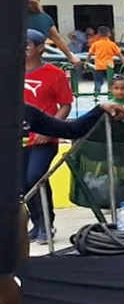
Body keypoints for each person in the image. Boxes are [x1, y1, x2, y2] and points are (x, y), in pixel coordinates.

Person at [2, 99, 124, 304]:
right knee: (4, 275)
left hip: (11, 207)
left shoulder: (21, 110)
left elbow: (70, 130)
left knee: (17, 271)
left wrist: (99, 108)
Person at [21, 29, 73, 243]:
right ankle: (36, 222)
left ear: (40, 47)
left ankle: (46, 223)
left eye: (27, 44)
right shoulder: (11, 72)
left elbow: (65, 105)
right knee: (21, 184)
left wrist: (49, 129)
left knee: (35, 177)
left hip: (44, 139)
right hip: (19, 138)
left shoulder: (54, 73)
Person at [27, 0, 78, 67]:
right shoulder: (44, 17)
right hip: (34, 63)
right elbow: (57, 39)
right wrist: (70, 56)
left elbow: (57, 39)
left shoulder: (14, 16)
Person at [87, 26, 121, 95]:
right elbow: (119, 54)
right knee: (111, 81)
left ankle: (97, 93)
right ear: (109, 34)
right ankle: (111, 93)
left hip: (99, 66)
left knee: (98, 81)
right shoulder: (112, 44)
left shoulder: (95, 44)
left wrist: (86, 62)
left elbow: (90, 54)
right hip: (109, 66)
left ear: (98, 34)